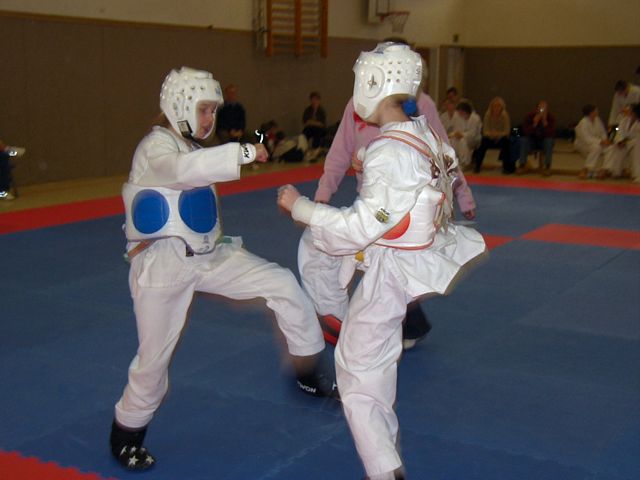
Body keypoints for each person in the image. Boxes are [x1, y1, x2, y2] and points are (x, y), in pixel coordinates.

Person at [110, 67, 337, 472]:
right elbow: (180, 172)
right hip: (161, 264)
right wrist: (242, 153)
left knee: (282, 283)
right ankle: (126, 432)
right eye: (203, 110)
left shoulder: (192, 146)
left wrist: (247, 148)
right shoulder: (155, 147)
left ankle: (307, 369)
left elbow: (201, 167)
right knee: (154, 359)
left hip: (209, 255)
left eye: (213, 111)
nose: (209, 119)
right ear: (179, 106)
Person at [277, 43, 486, 480]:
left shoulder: (389, 150)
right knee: (376, 369)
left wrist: (301, 207)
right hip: (404, 261)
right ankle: (386, 457)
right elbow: (421, 185)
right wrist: (367, 166)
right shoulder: (421, 134)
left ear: (373, 84)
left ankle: (385, 472)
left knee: (355, 375)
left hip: (389, 274)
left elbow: (361, 226)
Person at [309, 47, 477, 351]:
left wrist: (463, 197)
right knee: (375, 266)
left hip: (400, 213)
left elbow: (442, 154)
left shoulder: (422, 106)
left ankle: (364, 332)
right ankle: (381, 326)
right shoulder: (358, 105)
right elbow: (339, 152)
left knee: (382, 266)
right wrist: (325, 192)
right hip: (374, 202)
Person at [473, 97, 512, 173]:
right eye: (495, 106)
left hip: (501, 138)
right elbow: (485, 131)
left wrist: (498, 134)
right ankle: (477, 166)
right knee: (483, 142)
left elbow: (507, 131)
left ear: (502, 107)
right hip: (490, 137)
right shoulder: (488, 115)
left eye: (498, 106)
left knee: (506, 143)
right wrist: (492, 134)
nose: (496, 108)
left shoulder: (505, 116)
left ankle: (506, 167)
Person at [517, 100, 556, 176]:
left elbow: (551, 134)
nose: (542, 110)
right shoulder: (529, 116)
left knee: (549, 141)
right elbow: (525, 132)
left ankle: (547, 167)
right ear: (536, 109)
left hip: (544, 142)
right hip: (532, 141)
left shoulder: (550, 118)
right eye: (540, 108)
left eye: (544, 108)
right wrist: (534, 124)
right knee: (523, 140)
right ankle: (522, 165)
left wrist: (545, 123)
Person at [603, 103, 640, 181]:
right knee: (614, 148)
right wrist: (620, 141)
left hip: (635, 144)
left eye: (630, 110)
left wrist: (626, 142)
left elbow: (637, 138)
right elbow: (619, 133)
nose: (628, 112)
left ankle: (636, 174)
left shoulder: (638, 122)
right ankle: (614, 171)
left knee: (636, 153)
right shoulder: (624, 121)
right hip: (624, 143)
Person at [574, 104, 612, 179]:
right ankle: (586, 169)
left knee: (611, 148)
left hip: (597, 142)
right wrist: (600, 141)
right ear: (591, 113)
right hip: (583, 144)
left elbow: (602, 132)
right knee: (596, 148)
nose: (597, 112)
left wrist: (605, 140)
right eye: (595, 110)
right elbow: (586, 138)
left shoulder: (597, 120)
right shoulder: (583, 122)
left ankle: (604, 169)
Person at [449, 101, 482, 170]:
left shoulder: (475, 118)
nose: (458, 114)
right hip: (462, 137)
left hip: (474, 139)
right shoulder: (458, 117)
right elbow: (456, 130)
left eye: (460, 112)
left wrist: (462, 135)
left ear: (464, 112)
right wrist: (455, 134)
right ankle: (453, 161)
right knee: (452, 140)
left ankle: (465, 162)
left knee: (462, 141)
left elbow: (474, 133)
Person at [302, 91, 328, 161]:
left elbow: (322, 123)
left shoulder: (321, 111)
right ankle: (304, 151)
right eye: (312, 100)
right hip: (309, 128)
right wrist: (315, 122)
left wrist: (311, 122)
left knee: (318, 132)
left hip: (319, 129)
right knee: (304, 133)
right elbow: (305, 122)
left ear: (319, 101)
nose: (314, 101)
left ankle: (314, 151)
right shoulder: (307, 110)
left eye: (315, 100)